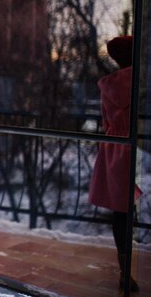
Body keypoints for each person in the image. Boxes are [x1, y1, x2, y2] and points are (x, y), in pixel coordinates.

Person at [89, 35, 142, 292]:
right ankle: (126, 272)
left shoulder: (108, 85)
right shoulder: (140, 81)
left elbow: (105, 122)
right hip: (134, 148)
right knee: (128, 211)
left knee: (120, 213)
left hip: (113, 149)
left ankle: (124, 270)